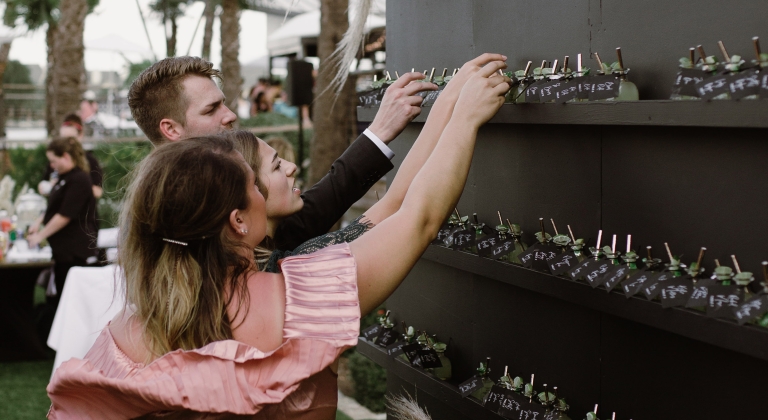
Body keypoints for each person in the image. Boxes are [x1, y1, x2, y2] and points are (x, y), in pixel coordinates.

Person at [47, 58, 510, 419]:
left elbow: (393, 210)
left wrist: (447, 109)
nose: (285, 175)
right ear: (238, 222)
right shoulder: (298, 299)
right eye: (255, 181)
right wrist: (463, 119)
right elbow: (415, 218)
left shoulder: (124, 336)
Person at [231, 54, 509, 271]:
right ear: (240, 209)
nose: (291, 167)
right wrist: (464, 119)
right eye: (277, 165)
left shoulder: (265, 260)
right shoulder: (292, 272)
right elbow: (417, 219)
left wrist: (448, 100)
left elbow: (394, 203)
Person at [128, 56, 435, 252]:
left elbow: (303, 220)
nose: (231, 115)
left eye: (224, 102)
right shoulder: (165, 223)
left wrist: (379, 132)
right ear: (170, 129)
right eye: (211, 109)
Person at [28, 138, 98, 304]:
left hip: (74, 251)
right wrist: (39, 221)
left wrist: (40, 236)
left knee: (70, 299)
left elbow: (65, 215)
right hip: (62, 251)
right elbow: (54, 206)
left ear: (65, 156)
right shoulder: (63, 178)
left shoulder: (80, 179)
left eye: (54, 160)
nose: (52, 165)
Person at [39, 114, 104, 200]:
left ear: (80, 135)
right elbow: (43, 183)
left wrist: (69, 186)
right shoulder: (56, 160)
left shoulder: (90, 161)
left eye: (70, 139)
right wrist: (48, 187)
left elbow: (98, 191)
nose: (66, 144)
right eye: (63, 139)